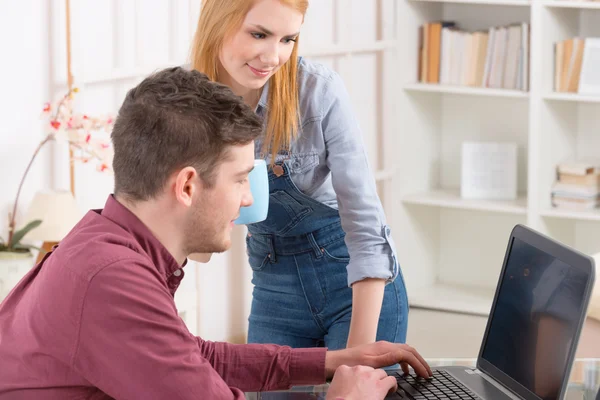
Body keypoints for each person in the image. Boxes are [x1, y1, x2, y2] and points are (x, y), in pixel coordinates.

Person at [0, 67, 431, 399]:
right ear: (187, 185)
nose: (248, 201)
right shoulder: (111, 280)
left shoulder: (103, 242)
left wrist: (332, 361)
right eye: (241, 179)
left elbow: (192, 355)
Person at [190, 0, 408, 351]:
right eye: (259, 34)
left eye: (288, 39)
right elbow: (190, 246)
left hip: (353, 280)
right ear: (218, 21)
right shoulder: (185, 104)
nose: (273, 57)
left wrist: (356, 361)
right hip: (273, 285)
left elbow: (367, 227)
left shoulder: (318, 91)